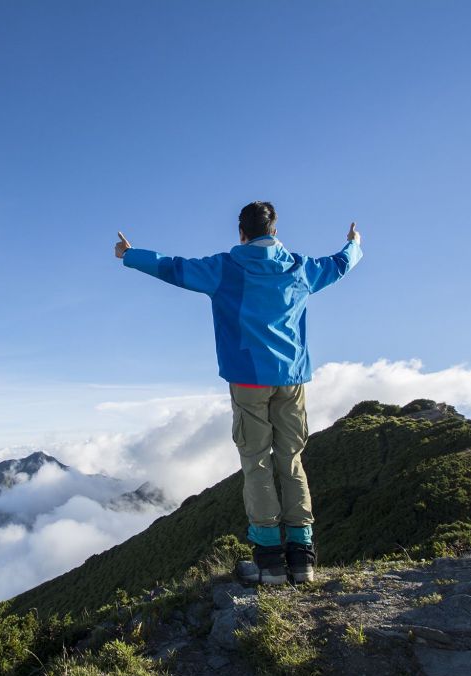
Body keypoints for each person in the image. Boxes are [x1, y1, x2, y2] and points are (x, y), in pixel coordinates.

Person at [114, 201, 363, 584]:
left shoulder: (224, 268)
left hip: (248, 379)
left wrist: (130, 256)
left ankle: (269, 563)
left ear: (241, 233)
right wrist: (354, 244)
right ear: (274, 232)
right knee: (291, 460)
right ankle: (302, 559)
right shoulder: (300, 268)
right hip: (292, 378)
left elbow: (173, 268)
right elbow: (339, 265)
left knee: (257, 461)